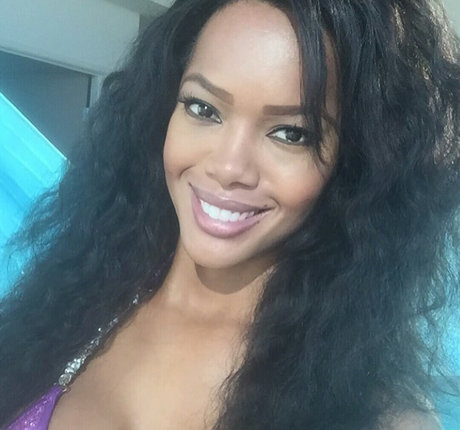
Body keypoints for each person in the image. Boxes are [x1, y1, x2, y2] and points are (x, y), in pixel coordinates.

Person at [1, 0, 459, 428]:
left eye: (291, 134)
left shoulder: (370, 408)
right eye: (203, 108)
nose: (228, 168)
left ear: (351, 166)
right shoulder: (67, 302)